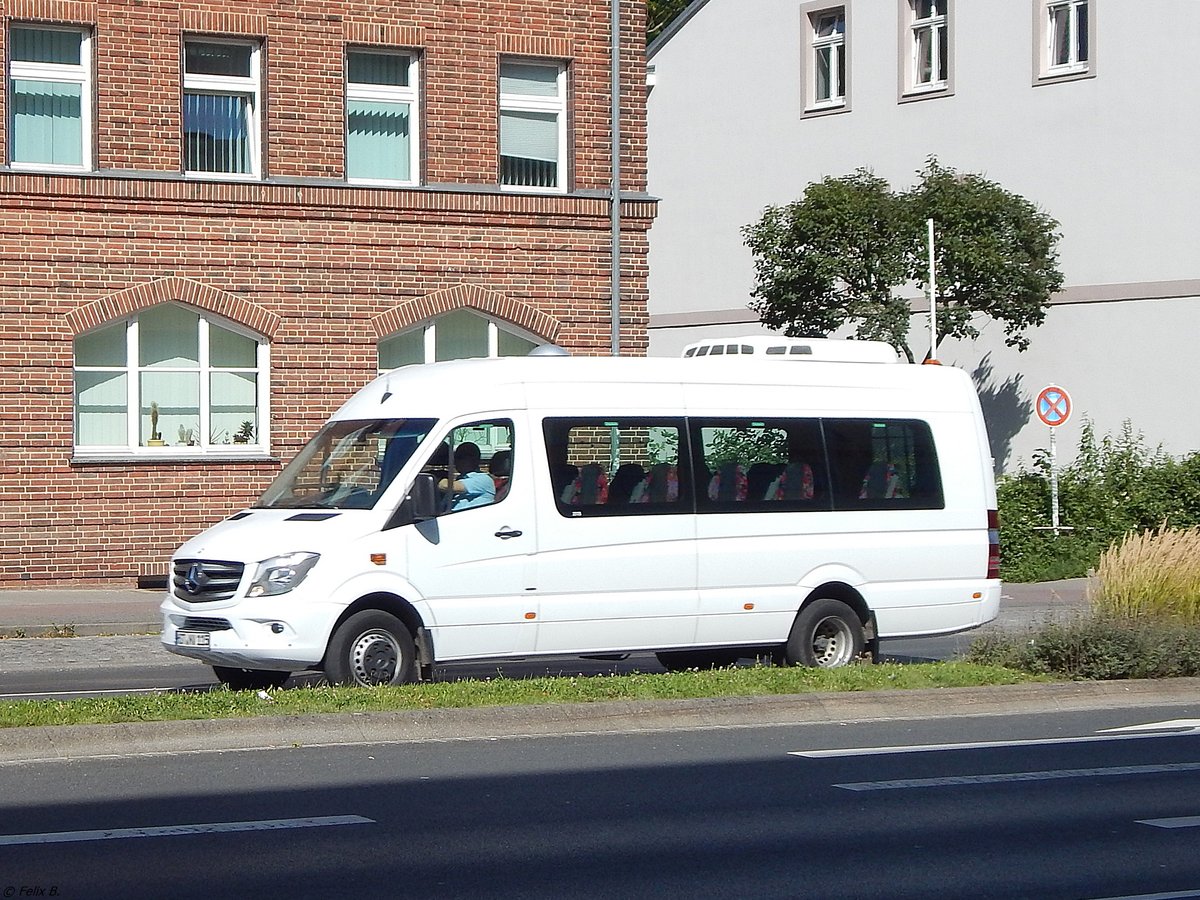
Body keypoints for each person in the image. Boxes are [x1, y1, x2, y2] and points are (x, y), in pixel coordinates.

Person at [438, 442, 496, 510]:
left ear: (475, 459)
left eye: (461, 457)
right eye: (456, 457)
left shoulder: (484, 479)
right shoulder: (461, 478)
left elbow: (445, 485)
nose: (456, 461)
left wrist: (435, 479)